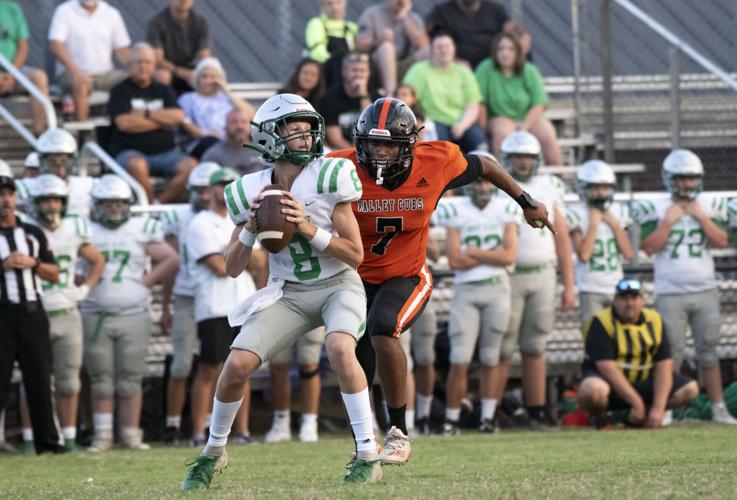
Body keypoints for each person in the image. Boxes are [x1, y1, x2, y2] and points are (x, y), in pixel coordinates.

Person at [327, 97, 553, 464]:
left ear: (409, 144)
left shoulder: (437, 161)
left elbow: (485, 166)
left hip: (407, 274)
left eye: (388, 144)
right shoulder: (338, 168)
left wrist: (525, 200)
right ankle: (364, 446)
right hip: (354, 278)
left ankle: (398, 431)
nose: (380, 153)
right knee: (355, 355)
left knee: (384, 328)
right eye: (372, 143)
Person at [181, 93, 382, 490]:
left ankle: (367, 453)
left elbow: (356, 255)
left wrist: (308, 228)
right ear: (270, 136)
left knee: (341, 348)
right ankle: (212, 454)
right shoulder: (247, 190)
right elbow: (232, 266)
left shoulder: (329, 176)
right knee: (236, 365)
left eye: (309, 128)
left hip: (337, 284)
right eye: (296, 129)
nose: (307, 137)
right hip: (288, 292)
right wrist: (251, 230)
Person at [632, 149, 737, 425]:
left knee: (709, 351)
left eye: (690, 179)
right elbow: (648, 247)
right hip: (670, 290)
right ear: (669, 179)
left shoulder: (709, 204)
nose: (686, 184)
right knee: (671, 354)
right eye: (680, 179)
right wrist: (668, 221)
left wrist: (701, 218)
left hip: (705, 288)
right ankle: (665, 407)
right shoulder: (656, 206)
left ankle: (717, 407)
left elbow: (722, 241)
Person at [80, 174, 180, 451]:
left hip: (133, 312)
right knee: (100, 379)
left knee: (130, 378)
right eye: (108, 203)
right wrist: (82, 284)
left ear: (128, 205)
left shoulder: (140, 228)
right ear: (97, 205)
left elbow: (171, 258)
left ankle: (130, 434)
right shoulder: (86, 230)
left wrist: (144, 282)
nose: (114, 209)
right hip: (94, 311)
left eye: (119, 203)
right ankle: (102, 436)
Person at [484, 131, 574, 429]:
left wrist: (569, 284)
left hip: (543, 275)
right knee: (503, 348)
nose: (523, 163)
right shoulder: (498, 188)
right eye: (518, 157)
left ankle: (536, 411)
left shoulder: (550, 186)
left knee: (535, 347)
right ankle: (490, 413)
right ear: (507, 159)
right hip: (508, 277)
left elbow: (561, 239)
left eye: (528, 157)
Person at [436, 174, 522, 435]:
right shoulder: (456, 210)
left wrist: (472, 252)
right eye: (478, 183)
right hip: (466, 291)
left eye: (486, 183)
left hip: (497, 290)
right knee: (459, 359)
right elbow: (454, 261)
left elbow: (509, 256)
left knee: (490, 358)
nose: (482, 187)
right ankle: (451, 419)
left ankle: (488, 417)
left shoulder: (505, 209)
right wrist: (490, 256)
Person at [27, 174, 105, 451]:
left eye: (56, 200)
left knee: (69, 381)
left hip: (67, 311)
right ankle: (30, 440)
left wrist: (84, 291)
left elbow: (97, 260)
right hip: (35, 311)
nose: (51, 206)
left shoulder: (74, 228)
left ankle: (69, 439)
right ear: (35, 203)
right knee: (34, 381)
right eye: (45, 200)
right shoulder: (25, 231)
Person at [186, 166, 258, 447]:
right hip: (215, 305)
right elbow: (220, 267)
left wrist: (234, 253)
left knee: (244, 368)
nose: (226, 189)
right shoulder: (200, 223)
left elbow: (261, 261)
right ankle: (196, 432)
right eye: (221, 184)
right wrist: (241, 254)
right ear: (210, 190)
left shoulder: (242, 220)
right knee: (208, 368)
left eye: (232, 184)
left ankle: (242, 431)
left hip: (244, 302)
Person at [578, 278, 699, 428]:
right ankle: (603, 418)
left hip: (643, 382)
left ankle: (642, 417)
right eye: (623, 298)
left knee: (690, 389)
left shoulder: (654, 320)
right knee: (593, 390)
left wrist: (658, 409)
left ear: (642, 301)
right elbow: (606, 368)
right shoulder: (602, 322)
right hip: (612, 385)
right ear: (614, 301)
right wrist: (636, 402)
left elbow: (664, 365)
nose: (629, 303)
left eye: (634, 298)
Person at [0, 174, 64, 454]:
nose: (5, 201)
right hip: (2, 315)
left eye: (10, 195)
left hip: (32, 314)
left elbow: (54, 273)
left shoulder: (32, 233)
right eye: (1, 195)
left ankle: (48, 443)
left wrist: (33, 262)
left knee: (39, 379)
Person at [161, 161, 219, 445]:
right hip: (185, 295)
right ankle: (172, 424)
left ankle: (209, 423)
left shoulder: (222, 216)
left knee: (214, 362)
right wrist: (165, 305)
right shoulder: (179, 216)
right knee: (181, 364)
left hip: (213, 296)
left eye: (210, 189)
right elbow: (172, 264)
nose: (205, 194)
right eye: (199, 189)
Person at [107, 42, 197, 204]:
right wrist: (162, 121)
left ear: (154, 66)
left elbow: (177, 116)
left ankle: (158, 204)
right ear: (129, 65)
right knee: (138, 165)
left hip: (166, 153)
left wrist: (146, 114)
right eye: (138, 62)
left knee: (191, 167)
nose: (143, 66)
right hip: (129, 152)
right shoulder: (120, 91)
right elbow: (124, 124)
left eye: (147, 62)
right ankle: (147, 207)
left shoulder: (163, 90)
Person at [475, 32, 563, 165]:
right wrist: (483, 128)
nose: (505, 53)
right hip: (499, 117)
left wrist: (524, 127)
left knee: (548, 134)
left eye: (510, 49)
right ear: (495, 52)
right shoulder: (485, 68)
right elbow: (479, 101)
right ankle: (502, 180)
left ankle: (558, 179)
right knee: (502, 136)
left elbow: (539, 103)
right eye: (501, 49)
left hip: (528, 117)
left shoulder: (529, 70)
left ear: (518, 52)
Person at [567, 160, 634, 324]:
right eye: (594, 188)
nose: (601, 193)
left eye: (604, 188)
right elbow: (583, 255)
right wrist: (593, 225)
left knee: (621, 336)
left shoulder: (618, 212)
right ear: (584, 189)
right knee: (593, 336)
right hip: (590, 287)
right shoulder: (576, 214)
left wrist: (616, 226)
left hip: (616, 286)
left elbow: (628, 254)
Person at [48, 0, 130, 121]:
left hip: (105, 74)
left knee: (134, 80)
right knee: (80, 84)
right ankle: (82, 132)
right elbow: (55, 44)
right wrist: (76, 71)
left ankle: (126, 129)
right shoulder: (64, 11)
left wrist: (137, 68)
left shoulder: (112, 13)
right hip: (71, 74)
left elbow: (122, 50)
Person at [403, 32, 486, 153]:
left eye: (447, 46)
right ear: (432, 50)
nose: (444, 50)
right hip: (433, 121)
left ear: (454, 49)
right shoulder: (418, 71)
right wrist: (418, 119)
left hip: (462, 121)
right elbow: (407, 98)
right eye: (439, 47)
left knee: (481, 146)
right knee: (442, 152)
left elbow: (473, 106)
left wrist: (462, 125)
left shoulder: (464, 72)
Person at [178, 57, 255, 159]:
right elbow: (185, 122)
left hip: (231, 139)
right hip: (204, 140)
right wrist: (206, 134)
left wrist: (226, 90)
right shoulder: (188, 98)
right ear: (197, 79)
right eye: (204, 77)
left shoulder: (226, 98)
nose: (209, 81)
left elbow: (251, 114)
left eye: (213, 77)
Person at [263, 327, 326, 443]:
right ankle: (281, 423)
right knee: (278, 365)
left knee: (309, 364)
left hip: (311, 311)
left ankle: (309, 422)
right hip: (280, 313)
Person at [355, 0, 430, 97]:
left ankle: (422, 96)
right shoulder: (372, 14)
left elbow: (424, 45)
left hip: (404, 64)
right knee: (387, 47)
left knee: (430, 51)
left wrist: (404, 17)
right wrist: (379, 40)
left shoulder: (412, 17)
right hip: (378, 66)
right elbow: (359, 45)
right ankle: (391, 96)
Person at [425, 0, 529, 68]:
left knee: (522, 48)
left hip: (493, 64)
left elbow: (513, 30)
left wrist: (522, 37)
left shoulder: (495, 10)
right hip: (457, 65)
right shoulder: (442, 12)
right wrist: (453, 62)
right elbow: (425, 39)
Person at [0, 0, 50, 134]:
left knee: (38, 78)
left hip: (12, 71)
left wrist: (10, 74)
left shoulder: (12, 9)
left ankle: (40, 137)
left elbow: (23, 47)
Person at [147, 0, 211, 95]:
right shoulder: (157, 23)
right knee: (162, 76)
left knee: (211, 75)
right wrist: (181, 72)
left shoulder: (201, 22)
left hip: (192, 69)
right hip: (168, 69)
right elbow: (158, 59)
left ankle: (208, 107)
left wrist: (197, 73)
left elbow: (204, 56)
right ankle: (166, 106)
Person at [318, 52, 373, 150]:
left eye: (362, 71)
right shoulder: (330, 98)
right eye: (354, 70)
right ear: (344, 72)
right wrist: (356, 154)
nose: (358, 75)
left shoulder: (376, 98)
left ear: (368, 73)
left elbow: (374, 128)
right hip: (340, 152)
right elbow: (335, 139)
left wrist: (363, 95)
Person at [36, 128, 94, 218]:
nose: (59, 166)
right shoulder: (32, 187)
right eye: (52, 161)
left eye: (64, 161)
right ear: (43, 162)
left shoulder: (88, 185)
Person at [305, 0, 358, 89]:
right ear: (322, 5)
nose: (334, 7)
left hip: (349, 70)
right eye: (329, 3)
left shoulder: (351, 27)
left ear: (344, 3)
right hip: (325, 70)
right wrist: (340, 63)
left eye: (338, 2)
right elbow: (317, 53)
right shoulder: (316, 23)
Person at [202, 109, 265, 176]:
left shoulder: (263, 152)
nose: (239, 126)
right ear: (225, 127)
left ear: (251, 127)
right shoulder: (213, 154)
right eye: (234, 122)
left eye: (243, 122)